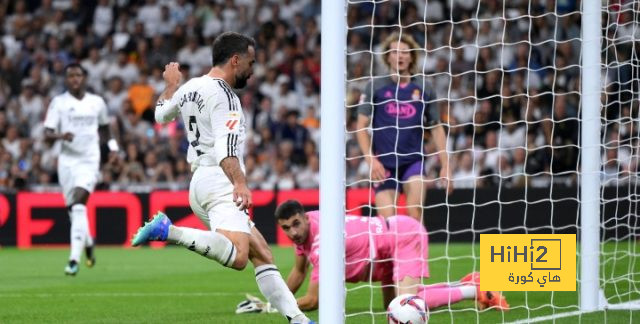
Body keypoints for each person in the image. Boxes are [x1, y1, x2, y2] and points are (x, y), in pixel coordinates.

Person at [130, 32, 312, 324]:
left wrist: (170, 86)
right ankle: (169, 231)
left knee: (262, 254)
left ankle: (299, 320)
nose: (252, 71)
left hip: (199, 182)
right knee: (240, 257)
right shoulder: (225, 95)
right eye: (250, 63)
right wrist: (240, 183)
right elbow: (225, 149)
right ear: (235, 60)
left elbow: (161, 115)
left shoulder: (190, 87)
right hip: (219, 179)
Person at [259, 200, 509, 312]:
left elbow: (314, 301)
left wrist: (274, 307)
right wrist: (280, 296)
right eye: (286, 228)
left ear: (304, 217)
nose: (293, 232)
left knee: (406, 308)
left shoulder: (325, 242)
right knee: (391, 308)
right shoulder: (309, 224)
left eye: (295, 224)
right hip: (384, 251)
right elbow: (299, 271)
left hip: (402, 235)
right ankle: (464, 283)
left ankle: (475, 290)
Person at [356, 32, 452, 221]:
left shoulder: (425, 87)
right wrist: (371, 160)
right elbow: (360, 126)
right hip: (383, 164)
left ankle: (418, 251)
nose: (400, 56)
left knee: (415, 212)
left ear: (412, 56)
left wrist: (446, 165)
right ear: (387, 56)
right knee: (387, 220)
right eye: (395, 52)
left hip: (413, 161)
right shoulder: (375, 86)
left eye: (404, 52)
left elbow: (436, 127)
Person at [43, 63, 119, 275]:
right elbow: (47, 133)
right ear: (66, 80)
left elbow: (105, 129)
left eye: (78, 75)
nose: (75, 79)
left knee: (77, 204)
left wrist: (113, 149)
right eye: (70, 76)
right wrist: (60, 135)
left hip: (89, 160)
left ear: (84, 78)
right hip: (67, 162)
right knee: (74, 210)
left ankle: (73, 260)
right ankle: (88, 245)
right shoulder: (58, 103)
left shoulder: (96, 102)